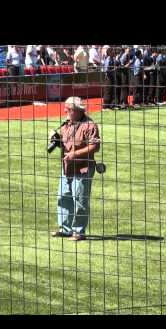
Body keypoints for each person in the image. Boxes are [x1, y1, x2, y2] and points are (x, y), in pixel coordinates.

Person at [50, 97, 100, 241]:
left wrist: (74, 154)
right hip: (67, 167)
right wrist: (56, 139)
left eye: (68, 109)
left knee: (80, 200)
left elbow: (95, 146)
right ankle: (65, 229)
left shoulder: (90, 125)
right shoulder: (66, 124)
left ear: (76, 111)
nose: (65, 111)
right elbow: (65, 144)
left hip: (83, 168)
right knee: (63, 197)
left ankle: (79, 231)